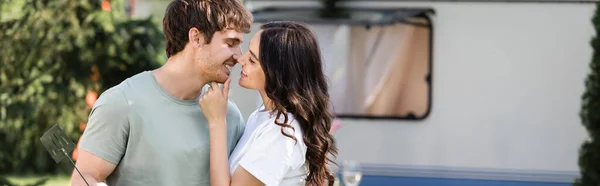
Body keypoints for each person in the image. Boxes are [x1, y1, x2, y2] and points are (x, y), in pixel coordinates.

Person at [70, 0, 253, 185]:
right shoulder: (122, 103)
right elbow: (84, 178)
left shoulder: (229, 116)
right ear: (196, 38)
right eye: (231, 43)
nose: (239, 56)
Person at [198, 21, 339, 186]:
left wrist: (217, 121)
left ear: (277, 74)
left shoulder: (282, 132)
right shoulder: (263, 117)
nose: (240, 59)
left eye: (252, 60)